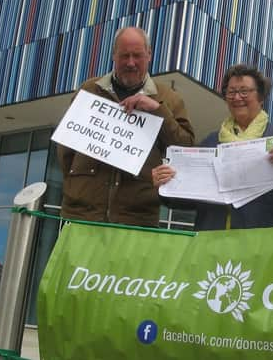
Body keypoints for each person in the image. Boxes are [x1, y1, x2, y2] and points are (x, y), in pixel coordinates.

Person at [58, 27, 195, 227]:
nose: (131, 63)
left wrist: (157, 110)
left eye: (137, 55)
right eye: (124, 56)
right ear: (114, 56)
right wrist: (75, 184)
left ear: (149, 55)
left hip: (137, 219)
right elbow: (65, 147)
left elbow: (185, 148)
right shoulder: (89, 90)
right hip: (82, 215)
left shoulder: (168, 99)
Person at [153, 64, 273, 229]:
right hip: (212, 241)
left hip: (263, 243)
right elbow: (189, 199)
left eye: (244, 91)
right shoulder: (210, 143)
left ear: (261, 98)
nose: (237, 97)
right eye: (231, 92)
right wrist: (165, 184)